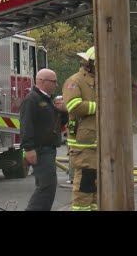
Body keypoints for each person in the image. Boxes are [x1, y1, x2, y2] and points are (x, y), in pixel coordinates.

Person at [20, 68, 68, 211]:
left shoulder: (47, 100)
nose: (56, 85)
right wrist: (29, 149)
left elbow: (58, 124)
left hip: (49, 149)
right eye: (53, 82)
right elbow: (26, 125)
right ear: (41, 81)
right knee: (46, 186)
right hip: (40, 149)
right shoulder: (32, 99)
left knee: (48, 186)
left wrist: (63, 111)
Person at [62, 46, 97, 211]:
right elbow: (73, 106)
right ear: (90, 63)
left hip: (99, 143)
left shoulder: (100, 80)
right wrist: (100, 106)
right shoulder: (74, 81)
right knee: (85, 183)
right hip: (84, 145)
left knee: (97, 186)